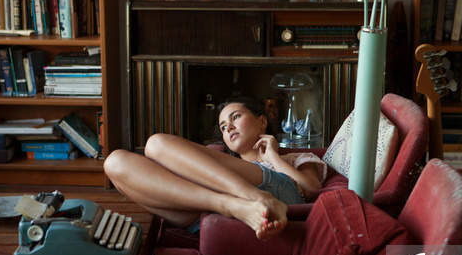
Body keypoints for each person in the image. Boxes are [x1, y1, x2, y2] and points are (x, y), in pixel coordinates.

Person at [104, 97, 327, 240]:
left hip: (277, 196)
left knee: (155, 144)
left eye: (236, 117)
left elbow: (312, 189)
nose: (228, 127)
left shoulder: (296, 158)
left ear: (262, 121)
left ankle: (257, 198)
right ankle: (231, 205)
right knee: (114, 162)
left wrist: (273, 157)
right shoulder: (213, 162)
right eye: (223, 126)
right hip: (210, 209)